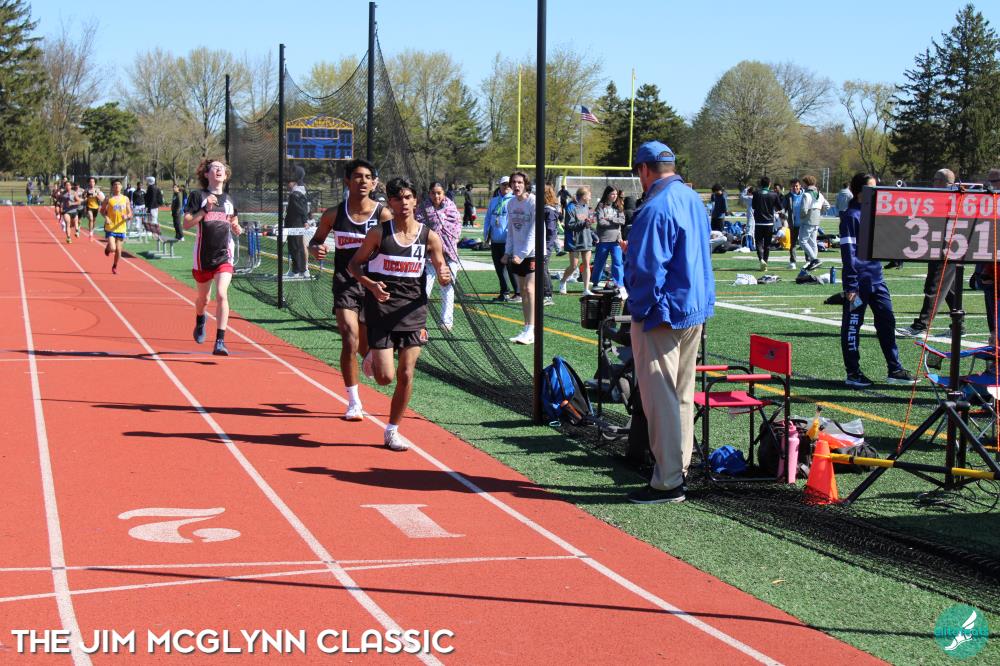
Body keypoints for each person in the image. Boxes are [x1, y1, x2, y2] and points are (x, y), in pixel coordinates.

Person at [624, 141, 715, 504]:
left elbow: (647, 269)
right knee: (682, 395)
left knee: (660, 398)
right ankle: (678, 470)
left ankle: (667, 480)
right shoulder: (692, 199)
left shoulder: (655, 206)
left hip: (662, 314)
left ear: (644, 170)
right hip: (693, 307)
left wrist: (641, 308)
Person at [349, 177, 451, 451]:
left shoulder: (429, 236)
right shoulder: (378, 234)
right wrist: (371, 285)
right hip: (381, 312)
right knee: (385, 378)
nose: (403, 203)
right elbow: (354, 266)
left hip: (413, 312)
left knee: (406, 373)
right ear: (390, 203)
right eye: (397, 199)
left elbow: (442, 270)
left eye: (408, 197)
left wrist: (444, 275)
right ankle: (371, 354)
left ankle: (392, 430)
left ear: (415, 200)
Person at [307, 158, 393, 421]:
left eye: (367, 177)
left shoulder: (383, 215)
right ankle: (354, 402)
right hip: (345, 283)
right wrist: (316, 249)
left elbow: (395, 248)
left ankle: (369, 356)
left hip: (373, 286)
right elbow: (315, 241)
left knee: (367, 350)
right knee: (349, 338)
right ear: (347, 181)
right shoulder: (333, 214)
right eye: (357, 176)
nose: (362, 181)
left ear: (374, 183)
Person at [839, 173, 917, 388]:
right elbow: (848, 253)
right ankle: (853, 373)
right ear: (860, 192)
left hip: (877, 279)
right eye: (872, 188)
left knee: (887, 322)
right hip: (858, 283)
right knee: (852, 326)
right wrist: (851, 285)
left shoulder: (873, 213)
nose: (877, 191)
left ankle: (895, 369)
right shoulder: (851, 216)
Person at [183, 157, 242, 357]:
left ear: (225, 175)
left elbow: (234, 221)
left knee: (222, 294)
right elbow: (186, 223)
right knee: (203, 299)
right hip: (203, 257)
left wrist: (236, 227)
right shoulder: (197, 196)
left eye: (221, 168)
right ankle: (200, 318)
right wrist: (204, 209)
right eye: (214, 168)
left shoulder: (229, 200)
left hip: (224, 256)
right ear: (207, 174)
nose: (218, 170)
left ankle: (220, 341)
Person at [896, 168, 959, 338]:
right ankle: (959, 326)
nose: (933, 183)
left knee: (934, 286)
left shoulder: (951, 198)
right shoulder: (942, 197)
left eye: (936, 180)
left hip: (946, 248)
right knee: (949, 290)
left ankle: (922, 325)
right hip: (940, 246)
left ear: (944, 182)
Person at [416, 181, 461, 331]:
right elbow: (419, 227)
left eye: (439, 193)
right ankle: (419, 321)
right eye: (433, 193)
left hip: (449, 254)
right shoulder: (423, 208)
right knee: (425, 289)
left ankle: (446, 321)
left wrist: (449, 239)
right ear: (429, 193)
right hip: (429, 256)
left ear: (443, 193)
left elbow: (456, 226)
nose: (436, 196)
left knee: (447, 288)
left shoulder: (451, 207)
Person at [503, 171, 537, 344]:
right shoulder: (511, 203)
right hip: (517, 253)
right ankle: (526, 328)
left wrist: (523, 254)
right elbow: (510, 230)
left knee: (530, 290)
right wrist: (508, 252)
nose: (516, 185)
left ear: (525, 184)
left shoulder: (533, 202)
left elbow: (534, 231)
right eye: (514, 182)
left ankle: (532, 330)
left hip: (532, 253)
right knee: (522, 290)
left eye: (520, 182)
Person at [483, 176, 517, 301]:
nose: (506, 187)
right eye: (504, 184)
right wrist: (486, 234)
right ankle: (504, 292)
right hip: (495, 239)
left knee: (511, 267)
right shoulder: (494, 200)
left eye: (508, 184)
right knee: (499, 268)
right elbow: (488, 218)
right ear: (500, 185)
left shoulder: (514, 200)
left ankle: (518, 292)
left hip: (508, 240)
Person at [559, 186, 595, 295]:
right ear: (583, 196)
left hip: (586, 239)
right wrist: (584, 223)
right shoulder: (571, 207)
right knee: (573, 266)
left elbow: (587, 224)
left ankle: (586, 289)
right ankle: (563, 281)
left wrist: (593, 234)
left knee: (586, 264)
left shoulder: (586, 207)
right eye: (589, 195)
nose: (590, 197)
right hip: (574, 240)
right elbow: (569, 225)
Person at [591, 185, 626, 291]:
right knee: (599, 263)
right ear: (607, 194)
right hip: (603, 240)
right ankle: (595, 283)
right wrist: (615, 222)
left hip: (616, 240)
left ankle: (618, 284)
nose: (615, 196)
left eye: (616, 194)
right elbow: (601, 222)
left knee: (618, 262)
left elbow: (622, 221)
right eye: (612, 194)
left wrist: (610, 218)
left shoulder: (618, 206)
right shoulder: (601, 206)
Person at [751, 176, 784, 271]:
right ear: (769, 184)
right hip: (769, 223)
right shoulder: (773, 194)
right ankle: (765, 262)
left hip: (758, 222)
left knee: (758, 242)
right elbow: (779, 207)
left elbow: (753, 206)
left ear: (761, 184)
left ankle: (761, 259)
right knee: (767, 244)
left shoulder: (756, 193)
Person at [99, 179, 131, 274]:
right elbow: (102, 210)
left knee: (119, 250)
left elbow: (130, 213)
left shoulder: (125, 199)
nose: (117, 186)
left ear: (121, 186)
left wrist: (127, 216)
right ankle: (109, 247)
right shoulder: (108, 199)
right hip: (111, 227)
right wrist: (106, 217)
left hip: (121, 227)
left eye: (119, 184)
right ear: (112, 187)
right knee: (113, 248)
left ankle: (115, 266)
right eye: (115, 185)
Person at [285, 165, 310, 278]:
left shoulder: (296, 194)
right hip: (293, 223)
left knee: (297, 246)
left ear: (294, 182)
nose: (287, 185)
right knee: (293, 246)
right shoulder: (296, 193)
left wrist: (305, 221)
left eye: (289, 182)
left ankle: (301, 270)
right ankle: (296, 270)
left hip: (296, 223)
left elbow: (302, 209)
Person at [799, 175, 828, 271]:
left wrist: (801, 216)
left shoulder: (806, 194)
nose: (802, 185)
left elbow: (804, 210)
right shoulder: (819, 194)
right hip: (816, 220)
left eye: (803, 183)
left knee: (802, 241)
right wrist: (819, 211)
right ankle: (814, 263)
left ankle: (814, 260)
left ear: (806, 183)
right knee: (813, 242)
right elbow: (827, 206)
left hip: (808, 220)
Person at [783, 178, 807, 270]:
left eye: (796, 186)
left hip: (804, 224)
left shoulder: (805, 195)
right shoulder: (787, 196)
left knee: (805, 243)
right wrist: (781, 212)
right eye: (793, 186)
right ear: (791, 187)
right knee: (792, 244)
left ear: (800, 186)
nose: (795, 188)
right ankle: (793, 262)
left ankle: (808, 261)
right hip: (793, 224)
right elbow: (783, 208)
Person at [542, 184, 560, 306]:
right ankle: (545, 293)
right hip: (542, 243)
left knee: (542, 268)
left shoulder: (548, 210)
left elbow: (551, 231)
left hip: (545, 244)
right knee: (543, 269)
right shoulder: (545, 209)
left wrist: (546, 247)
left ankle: (547, 295)